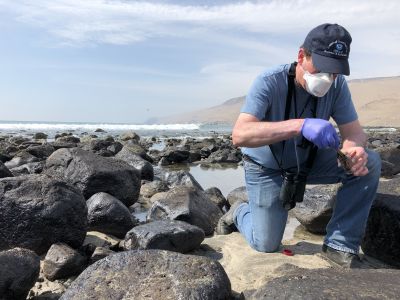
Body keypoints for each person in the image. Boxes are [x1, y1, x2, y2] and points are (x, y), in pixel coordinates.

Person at [216, 23, 381, 268]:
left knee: (371, 161)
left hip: (309, 160)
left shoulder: (337, 86)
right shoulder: (269, 81)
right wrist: (300, 125)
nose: (328, 78)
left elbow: (354, 132)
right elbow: (240, 135)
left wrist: (353, 148)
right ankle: (239, 213)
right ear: (301, 56)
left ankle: (339, 244)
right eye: (323, 68)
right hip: (266, 166)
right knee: (266, 244)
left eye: (334, 71)